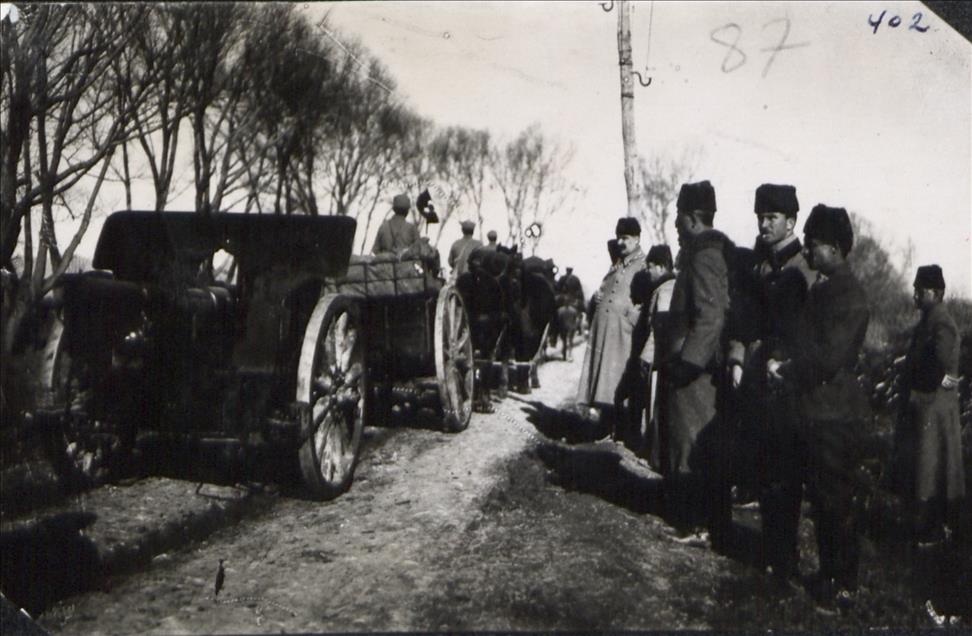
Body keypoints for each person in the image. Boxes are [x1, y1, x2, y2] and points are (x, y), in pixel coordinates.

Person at [768, 204, 870, 610]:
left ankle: (842, 585)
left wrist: (787, 369)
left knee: (835, 503)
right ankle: (830, 576)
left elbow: (827, 358)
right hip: (815, 411)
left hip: (833, 417)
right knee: (824, 502)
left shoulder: (849, 295)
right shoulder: (826, 288)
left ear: (832, 247)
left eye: (811, 245)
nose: (806, 253)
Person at [726, 184, 814, 579]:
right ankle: (771, 549)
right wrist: (737, 358)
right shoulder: (761, 266)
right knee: (765, 466)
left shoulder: (805, 269)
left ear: (791, 222)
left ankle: (784, 556)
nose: (763, 224)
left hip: (791, 385)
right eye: (760, 217)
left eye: (771, 218)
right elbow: (743, 318)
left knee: (786, 469)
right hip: (758, 379)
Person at [661, 180, 734, 550]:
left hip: (697, 375)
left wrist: (688, 364)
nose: (675, 224)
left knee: (694, 447)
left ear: (690, 218)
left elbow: (710, 317)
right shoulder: (701, 253)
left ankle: (700, 525)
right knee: (689, 446)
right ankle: (696, 519)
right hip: (695, 368)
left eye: (677, 216)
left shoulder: (704, 256)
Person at [895, 264, 965, 546]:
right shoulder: (929, 320)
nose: (914, 294)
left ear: (935, 293)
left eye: (919, 289)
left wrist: (912, 377)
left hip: (933, 408)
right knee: (924, 467)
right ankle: (922, 526)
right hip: (926, 405)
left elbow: (938, 368)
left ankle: (931, 529)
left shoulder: (942, 322)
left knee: (931, 469)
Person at [576, 218, 646, 433]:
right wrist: (596, 298)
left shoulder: (642, 265)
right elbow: (605, 288)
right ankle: (606, 426)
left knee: (618, 381)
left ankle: (621, 431)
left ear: (636, 239)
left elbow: (647, 299)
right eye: (618, 238)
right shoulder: (616, 265)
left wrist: (631, 316)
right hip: (605, 331)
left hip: (623, 334)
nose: (620, 242)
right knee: (603, 379)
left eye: (625, 238)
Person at [638, 244, 677, 472]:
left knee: (655, 407)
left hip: (658, 361)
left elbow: (658, 330)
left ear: (661, 267)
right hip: (663, 359)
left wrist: (646, 356)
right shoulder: (667, 287)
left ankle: (655, 457)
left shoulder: (665, 291)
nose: (648, 272)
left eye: (650, 267)